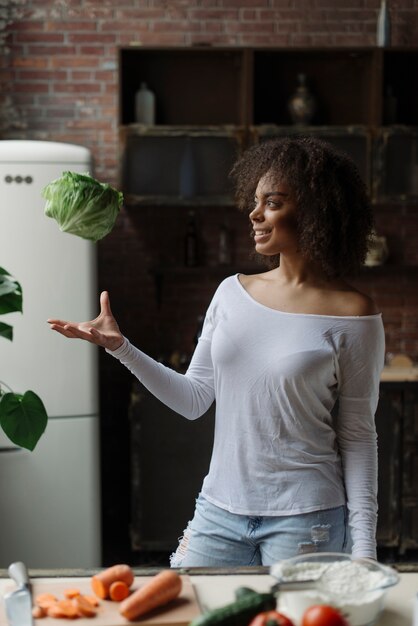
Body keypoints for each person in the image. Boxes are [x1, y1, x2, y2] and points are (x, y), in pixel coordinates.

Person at [48, 136, 385, 567]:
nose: (255, 213)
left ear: (315, 211)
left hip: (308, 517)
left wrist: (364, 550)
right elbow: (194, 399)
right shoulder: (230, 293)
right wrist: (121, 349)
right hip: (219, 511)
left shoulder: (354, 315)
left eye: (273, 203)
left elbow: (358, 437)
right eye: (256, 200)